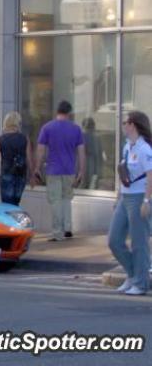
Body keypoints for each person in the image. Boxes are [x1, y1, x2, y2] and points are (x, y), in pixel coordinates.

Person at [108, 111, 152, 295]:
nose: (123, 125)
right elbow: (125, 172)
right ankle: (134, 274)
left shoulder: (144, 149)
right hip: (125, 197)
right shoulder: (128, 146)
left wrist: (147, 201)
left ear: (133, 125)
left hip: (139, 197)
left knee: (138, 242)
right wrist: (118, 195)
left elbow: (151, 176)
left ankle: (140, 283)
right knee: (114, 240)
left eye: (125, 122)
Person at [33, 100, 85, 241]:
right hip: (69, 170)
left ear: (57, 111)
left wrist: (37, 167)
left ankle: (57, 232)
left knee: (55, 200)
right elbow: (81, 152)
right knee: (67, 199)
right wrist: (81, 171)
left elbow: (41, 149)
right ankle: (68, 228)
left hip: (53, 170)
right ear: (69, 113)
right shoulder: (76, 129)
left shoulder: (47, 128)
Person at [0, 111, 33, 205]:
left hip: (6, 174)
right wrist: (32, 175)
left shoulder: (0, 139)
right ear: (18, 123)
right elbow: (29, 159)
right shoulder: (25, 139)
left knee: (7, 205)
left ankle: (9, 219)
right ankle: (15, 218)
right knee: (16, 203)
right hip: (21, 175)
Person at [82, 117, 104, 190]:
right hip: (92, 164)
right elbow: (100, 154)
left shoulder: (83, 136)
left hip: (87, 163)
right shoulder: (96, 137)